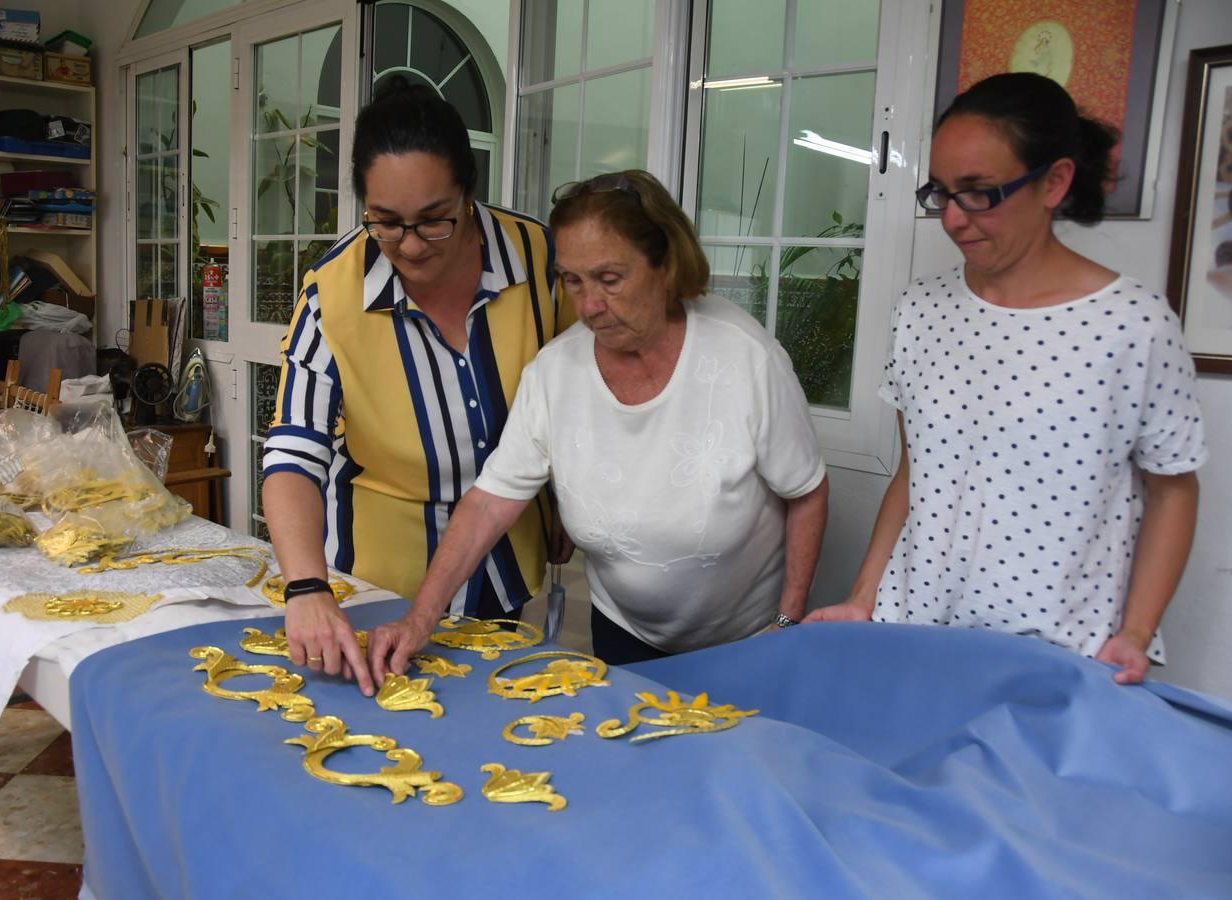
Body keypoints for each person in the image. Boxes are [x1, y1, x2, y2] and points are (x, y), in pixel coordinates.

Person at [807, 73, 1206, 685]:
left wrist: (1136, 632)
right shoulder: (920, 312)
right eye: (942, 192)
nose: (955, 219)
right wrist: (864, 598)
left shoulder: (1133, 326)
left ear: (1055, 181)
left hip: (1059, 656)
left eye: (979, 192)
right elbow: (917, 474)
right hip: (913, 634)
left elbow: (1173, 490)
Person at [367, 169, 829, 678]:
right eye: (572, 280)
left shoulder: (745, 357)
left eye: (610, 280)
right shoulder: (555, 371)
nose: (588, 306)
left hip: (746, 638)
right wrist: (419, 619)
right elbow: (488, 504)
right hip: (624, 629)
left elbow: (806, 491)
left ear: (665, 265)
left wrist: (788, 621)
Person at [262, 79, 574, 695]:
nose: (408, 245)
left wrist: (565, 493)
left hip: (505, 562)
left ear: (469, 193)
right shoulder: (332, 294)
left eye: (434, 221)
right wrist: (306, 586)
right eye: (386, 223)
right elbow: (295, 453)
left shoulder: (539, 258)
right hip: (383, 582)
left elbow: (579, 386)